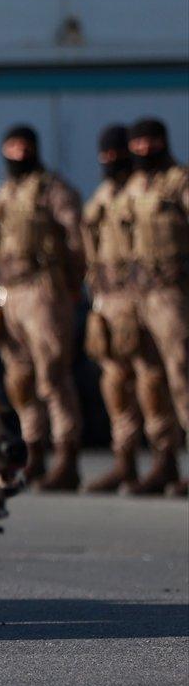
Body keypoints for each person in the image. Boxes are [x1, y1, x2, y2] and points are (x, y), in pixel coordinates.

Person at [0, 124, 84, 490]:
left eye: (24, 146)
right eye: (12, 146)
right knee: (19, 378)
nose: (19, 153)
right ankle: (33, 452)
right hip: (9, 292)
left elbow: (77, 240)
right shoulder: (3, 193)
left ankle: (67, 455)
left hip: (43, 290)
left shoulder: (52, 190)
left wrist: (73, 286)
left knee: (52, 375)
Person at [82, 126, 181, 493]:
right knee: (116, 381)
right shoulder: (108, 195)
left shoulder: (167, 186)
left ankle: (165, 458)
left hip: (159, 295)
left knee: (159, 378)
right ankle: (126, 461)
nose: (113, 159)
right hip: (115, 300)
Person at [124, 118, 189, 495]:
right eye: (138, 142)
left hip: (172, 294)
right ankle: (164, 460)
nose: (144, 149)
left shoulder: (179, 182)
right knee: (148, 379)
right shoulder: (132, 187)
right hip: (136, 296)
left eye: (151, 141)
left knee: (182, 375)